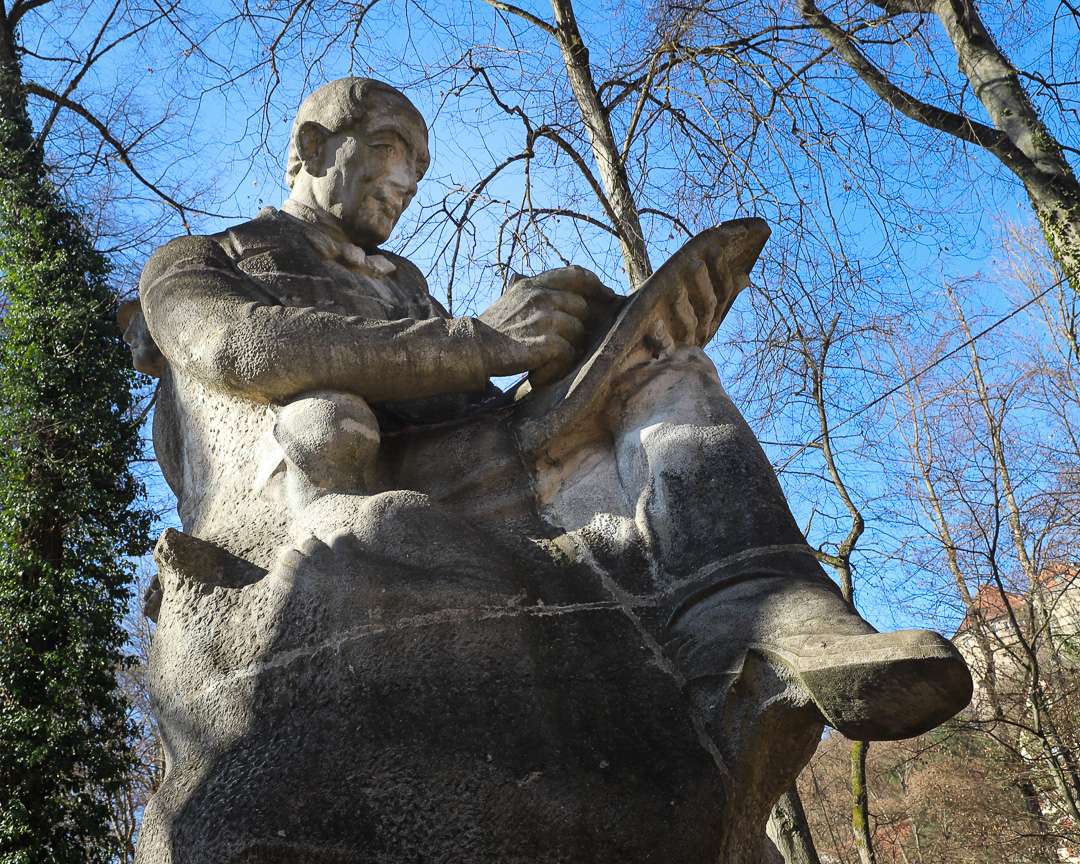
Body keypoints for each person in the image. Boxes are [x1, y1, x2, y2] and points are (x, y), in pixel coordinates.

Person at [133, 77, 972, 863]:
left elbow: (460, 394)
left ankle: (766, 617)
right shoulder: (199, 257)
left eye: (420, 165)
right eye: (390, 150)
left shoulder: (405, 282)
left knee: (665, 370)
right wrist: (482, 341)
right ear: (314, 147)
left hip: (465, 455)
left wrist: (574, 355)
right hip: (330, 469)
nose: (408, 181)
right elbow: (239, 349)